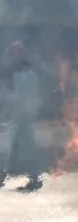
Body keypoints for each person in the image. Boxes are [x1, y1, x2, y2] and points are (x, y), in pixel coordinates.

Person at [0, 42, 43, 191]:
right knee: (4, 149)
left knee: (27, 149)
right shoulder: (6, 73)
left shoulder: (28, 75)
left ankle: (35, 178)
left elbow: (32, 96)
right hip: (8, 116)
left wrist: (29, 111)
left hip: (23, 116)